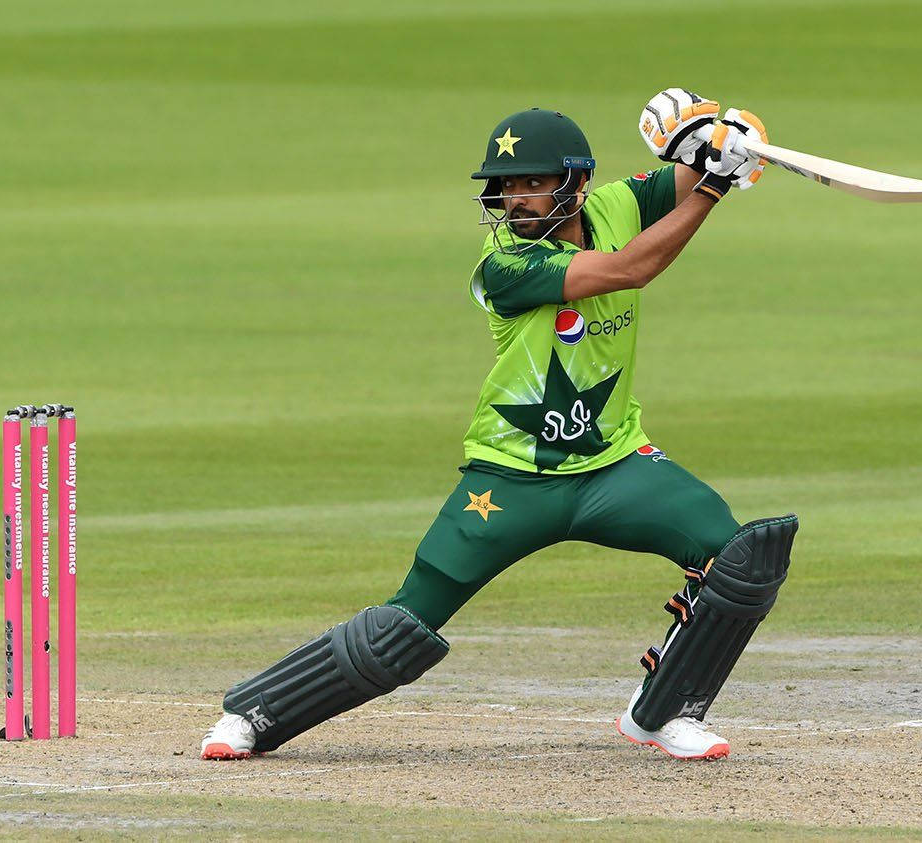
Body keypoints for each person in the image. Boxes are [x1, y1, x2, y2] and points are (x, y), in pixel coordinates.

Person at [201, 88, 798, 762]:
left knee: (738, 559)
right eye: (506, 186)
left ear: (575, 185)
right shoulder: (506, 263)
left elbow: (692, 174)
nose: (516, 200)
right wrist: (715, 187)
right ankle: (254, 713)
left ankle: (663, 711)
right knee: (409, 618)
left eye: (534, 184)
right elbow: (635, 267)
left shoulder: (617, 207)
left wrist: (721, 138)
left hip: (616, 466)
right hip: (511, 480)